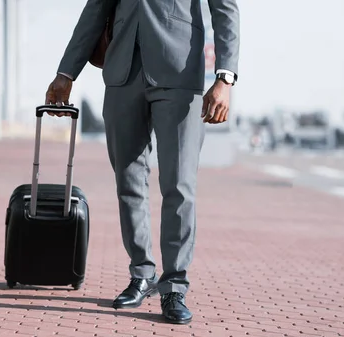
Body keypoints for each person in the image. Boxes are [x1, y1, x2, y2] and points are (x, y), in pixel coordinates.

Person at [45, 0, 240, 324]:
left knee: (178, 185)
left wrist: (225, 77)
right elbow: (96, 9)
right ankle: (142, 274)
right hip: (122, 75)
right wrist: (66, 72)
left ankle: (174, 286)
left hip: (178, 73)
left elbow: (226, 9)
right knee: (128, 182)